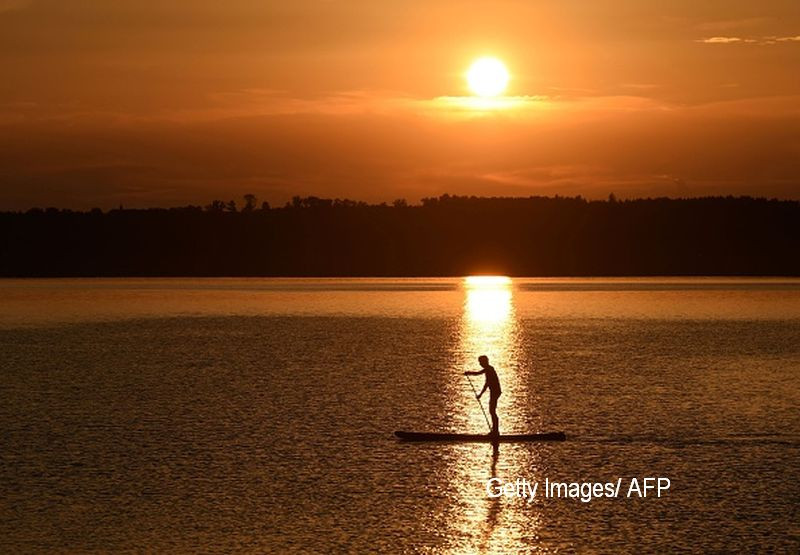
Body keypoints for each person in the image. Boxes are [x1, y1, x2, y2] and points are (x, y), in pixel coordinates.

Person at [465, 355, 501, 437]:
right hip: (494, 392)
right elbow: (480, 375)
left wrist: (480, 394)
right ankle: (495, 431)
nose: (480, 364)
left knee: (492, 411)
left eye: (481, 362)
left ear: (485, 362)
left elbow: (486, 383)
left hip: (495, 392)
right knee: (492, 411)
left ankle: (496, 432)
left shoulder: (490, 369)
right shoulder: (488, 369)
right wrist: (469, 373)